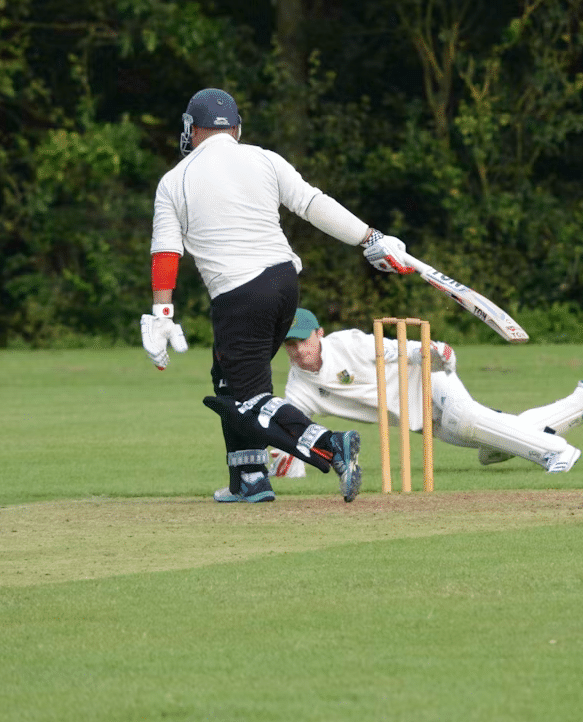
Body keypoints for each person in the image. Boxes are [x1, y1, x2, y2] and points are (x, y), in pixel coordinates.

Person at [140, 88, 415, 504]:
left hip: (239, 293)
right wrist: (370, 238)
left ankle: (330, 445)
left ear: (190, 130)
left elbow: (166, 250)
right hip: (285, 284)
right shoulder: (264, 158)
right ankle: (249, 478)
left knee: (248, 400)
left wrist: (162, 313)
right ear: (235, 128)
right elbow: (313, 204)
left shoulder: (174, 180)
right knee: (230, 384)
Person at [269, 308, 583, 479]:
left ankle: (559, 452)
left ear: (319, 333)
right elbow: (290, 427)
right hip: (416, 419)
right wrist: (282, 462)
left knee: (468, 418)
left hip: (427, 380)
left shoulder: (348, 343)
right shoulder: (299, 387)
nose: (300, 352)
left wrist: (433, 352)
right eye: (291, 346)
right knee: (490, 447)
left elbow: (399, 349)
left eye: (304, 341)